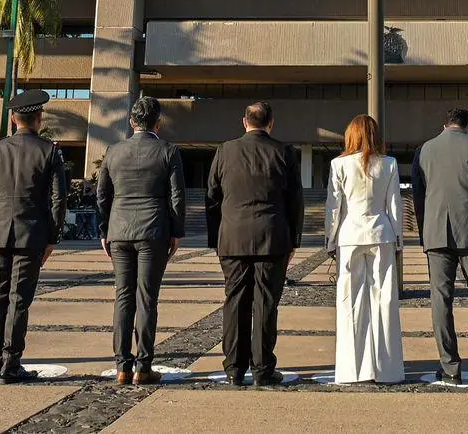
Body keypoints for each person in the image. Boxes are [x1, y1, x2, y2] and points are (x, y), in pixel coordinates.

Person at [205, 100, 304, 388]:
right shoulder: (284, 152)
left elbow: (212, 197)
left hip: (232, 238)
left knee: (234, 302)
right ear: (270, 123)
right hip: (272, 237)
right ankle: (262, 368)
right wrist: (293, 239)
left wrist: (216, 238)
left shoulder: (225, 151)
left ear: (244, 122)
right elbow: (295, 200)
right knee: (266, 303)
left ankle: (234, 368)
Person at [0, 89, 68, 384]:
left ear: (14, 119)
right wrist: (52, 237)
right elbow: (58, 200)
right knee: (19, 301)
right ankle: (11, 364)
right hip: (31, 235)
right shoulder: (49, 151)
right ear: (39, 119)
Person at [97, 95, 187, 386]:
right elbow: (177, 197)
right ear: (157, 123)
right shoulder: (168, 151)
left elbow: (102, 195)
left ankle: (122, 366)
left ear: (131, 121)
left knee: (123, 297)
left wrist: (104, 230)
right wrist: (176, 231)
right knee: (146, 297)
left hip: (120, 231)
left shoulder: (113, 151)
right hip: (154, 230)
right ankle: (143, 366)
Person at [412, 107, 468, 386]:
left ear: (445, 124)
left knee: (441, 300)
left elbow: (418, 196)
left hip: (436, 234)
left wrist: (424, 232)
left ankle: (450, 368)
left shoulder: (424, 150)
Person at [326, 114, 405, 385]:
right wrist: (399, 240)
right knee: (385, 301)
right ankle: (388, 370)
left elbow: (334, 207)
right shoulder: (389, 164)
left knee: (349, 302)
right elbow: (395, 204)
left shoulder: (339, 164)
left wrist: (330, 238)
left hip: (349, 235)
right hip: (381, 233)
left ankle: (350, 369)